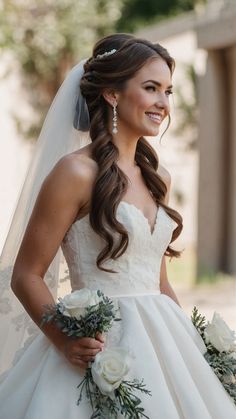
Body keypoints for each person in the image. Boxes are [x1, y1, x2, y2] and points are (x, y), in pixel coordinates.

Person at [0, 33, 235, 419]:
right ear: (112, 93)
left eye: (168, 91)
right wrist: (63, 340)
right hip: (100, 348)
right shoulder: (74, 172)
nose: (163, 102)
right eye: (151, 88)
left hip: (165, 342)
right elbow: (26, 274)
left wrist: (195, 350)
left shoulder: (159, 175)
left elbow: (158, 281)